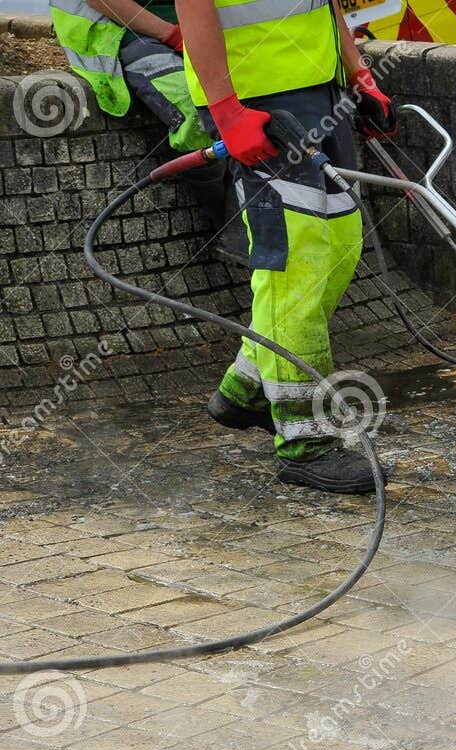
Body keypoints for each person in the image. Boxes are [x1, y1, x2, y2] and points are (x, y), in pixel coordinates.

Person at [178, 0, 393, 493]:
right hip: (258, 104)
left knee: (340, 244)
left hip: (320, 93)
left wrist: (358, 72)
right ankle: (304, 442)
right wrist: (227, 111)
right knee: (296, 263)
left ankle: (247, 389)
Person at [49, 0, 225, 214]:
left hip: (196, 21)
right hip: (118, 29)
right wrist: (172, 34)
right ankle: (231, 230)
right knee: (197, 113)